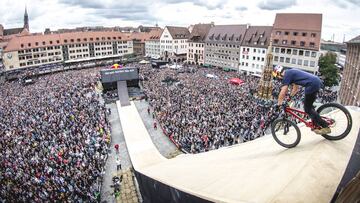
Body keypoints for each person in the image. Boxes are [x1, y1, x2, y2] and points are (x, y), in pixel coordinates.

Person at [273, 65, 331, 134]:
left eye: (277, 76)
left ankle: (325, 126)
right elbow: (295, 88)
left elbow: (283, 91)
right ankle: (316, 123)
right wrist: (289, 98)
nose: (278, 78)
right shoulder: (290, 72)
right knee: (308, 105)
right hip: (315, 81)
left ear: (278, 73)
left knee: (307, 109)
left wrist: (279, 104)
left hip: (311, 85)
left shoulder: (286, 76)